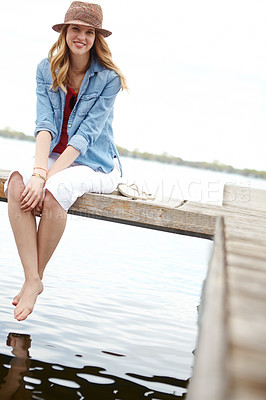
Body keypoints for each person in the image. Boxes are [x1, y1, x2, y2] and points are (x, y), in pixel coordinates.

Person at [4, 1, 127, 322]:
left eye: (89, 32)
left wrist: (44, 178)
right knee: (16, 182)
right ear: (65, 32)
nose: (82, 37)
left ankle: (34, 280)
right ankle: (34, 280)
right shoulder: (46, 69)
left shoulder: (108, 79)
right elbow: (44, 124)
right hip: (58, 156)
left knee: (54, 190)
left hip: (97, 162)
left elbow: (85, 136)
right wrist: (37, 172)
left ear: (97, 38)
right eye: (76, 29)